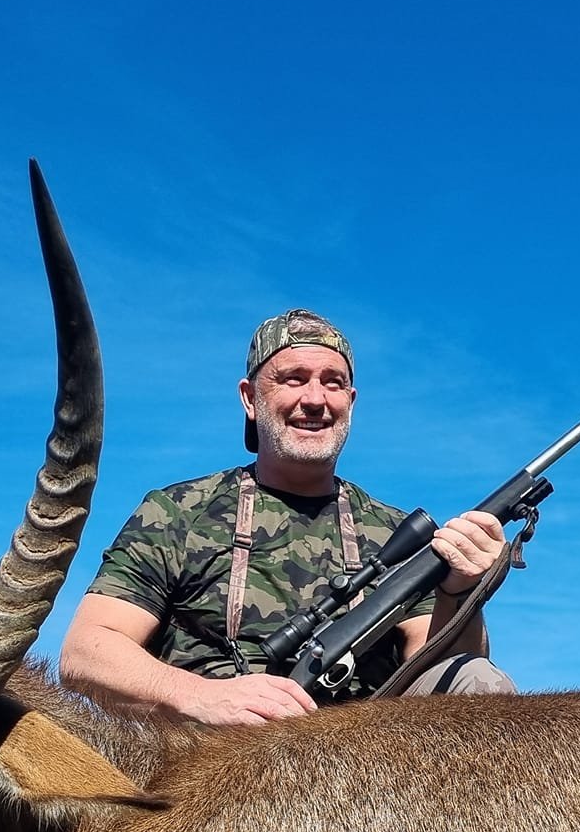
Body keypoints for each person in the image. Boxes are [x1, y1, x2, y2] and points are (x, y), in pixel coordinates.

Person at [60, 309, 516, 724]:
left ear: (351, 401)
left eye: (333, 382)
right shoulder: (177, 511)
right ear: (250, 398)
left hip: (364, 757)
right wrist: (201, 696)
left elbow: (445, 673)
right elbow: (85, 652)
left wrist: (459, 594)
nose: (316, 399)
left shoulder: (397, 533)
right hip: (210, 757)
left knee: (479, 680)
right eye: (293, 378)